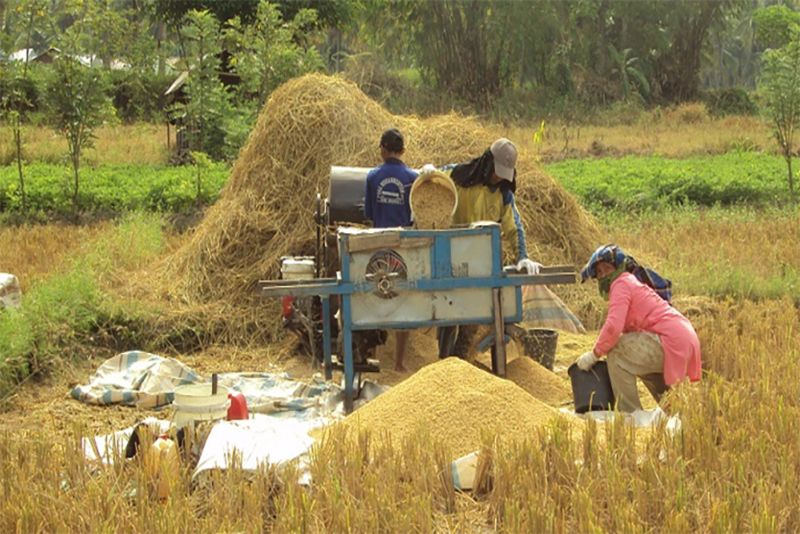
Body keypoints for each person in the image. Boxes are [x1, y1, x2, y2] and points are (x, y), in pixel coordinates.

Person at [437, 137, 542, 358]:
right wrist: (428, 173)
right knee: (448, 314)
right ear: (487, 162)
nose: (498, 178)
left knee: (473, 317)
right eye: (496, 171)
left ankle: (460, 360)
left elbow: (514, 227)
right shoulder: (457, 176)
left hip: (483, 263)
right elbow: (432, 179)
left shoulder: (503, 194)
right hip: (451, 257)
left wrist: (523, 256)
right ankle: (444, 361)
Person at [575, 244, 702, 412]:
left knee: (617, 351)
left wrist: (594, 354)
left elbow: (613, 327)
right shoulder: (629, 282)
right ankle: (675, 410)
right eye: (599, 272)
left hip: (671, 339)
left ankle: (630, 415)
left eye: (607, 268)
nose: (604, 274)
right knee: (633, 358)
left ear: (619, 267)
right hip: (681, 338)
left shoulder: (620, 284)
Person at [364, 128, 418, 371]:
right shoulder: (414, 178)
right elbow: (417, 215)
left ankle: (372, 355)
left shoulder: (372, 177)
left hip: (377, 244)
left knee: (373, 297)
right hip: (404, 246)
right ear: (403, 151)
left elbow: (368, 215)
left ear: (382, 150)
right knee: (403, 301)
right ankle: (398, 362)